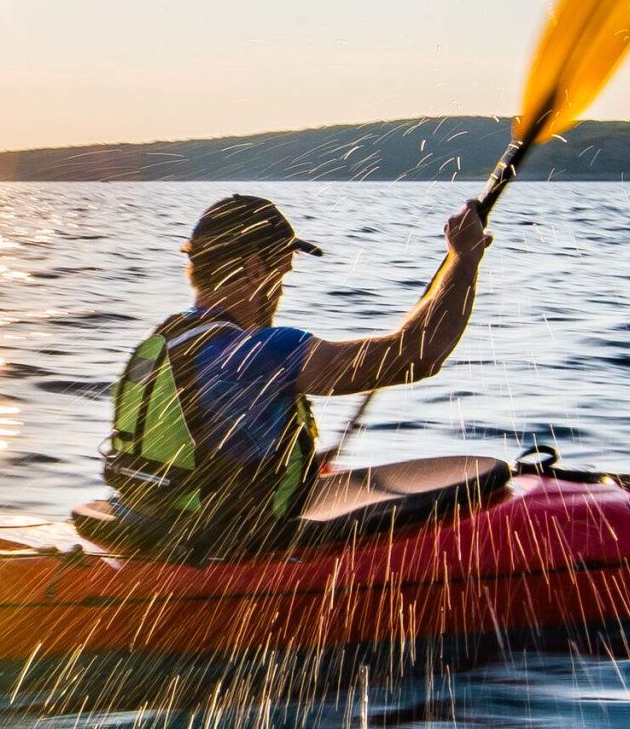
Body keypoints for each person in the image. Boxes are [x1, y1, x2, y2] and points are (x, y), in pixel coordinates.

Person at [103, 193, 491, 555]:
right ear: (256, 270)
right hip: (223, 549)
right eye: (282, 277)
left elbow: (203, 450)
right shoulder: (260, 351)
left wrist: (295, 464)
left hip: (156, 530)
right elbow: (415, 354)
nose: (282, 293)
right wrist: (464, 258)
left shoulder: (164, 342)